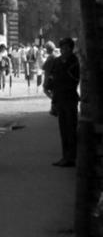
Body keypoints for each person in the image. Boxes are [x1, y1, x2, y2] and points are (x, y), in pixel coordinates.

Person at [44, 36, 80, 166]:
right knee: (63, 129)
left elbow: (74, 79)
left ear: (71, 49)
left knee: (71, 129)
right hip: (59, 99)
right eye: (63, 48)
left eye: (67, 48)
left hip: (70, 98)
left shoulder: (74, 61)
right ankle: (65, 156)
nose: (64, 50)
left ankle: (72, 157)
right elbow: (53, 78)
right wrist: (50, 89)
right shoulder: (58, 61)